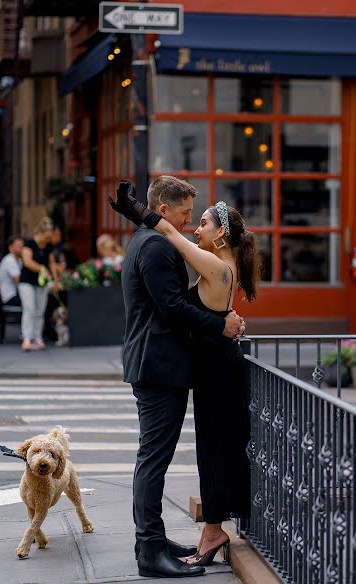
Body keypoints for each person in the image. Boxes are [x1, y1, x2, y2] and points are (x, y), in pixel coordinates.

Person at [110, 180, 260, 567]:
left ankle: (194, 534)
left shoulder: (210, 262)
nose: (193, 225)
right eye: (188, 215)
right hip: (184, 367)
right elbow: (174, 300)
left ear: (221, 232)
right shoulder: (166, 246)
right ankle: (157, 545)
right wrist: (145, 216)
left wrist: (143, 215)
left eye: (202, 221)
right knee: (190, 454)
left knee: (213, 452)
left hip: (213, 371)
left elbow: (174, 240)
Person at [19, 217, 57, 352]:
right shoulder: (29, 243)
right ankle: (26, 339)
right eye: (46, 237)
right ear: (40, 232)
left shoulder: (49, 246)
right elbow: (27, 262)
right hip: (27, 282)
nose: (48, 240)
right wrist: (42, 269)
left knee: (40, 310)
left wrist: (55, 279)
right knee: (29, 308)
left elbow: (52, 263)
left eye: (49, 237)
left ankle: (37, 337)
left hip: (42, 283)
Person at [0, 235, 24, 306]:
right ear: (10, 247)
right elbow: (19, 280)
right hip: (9, 297)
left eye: (22, 246)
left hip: (16, 294)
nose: (21, 248)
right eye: (18, 245)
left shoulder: (20, 261)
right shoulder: (9, 260)